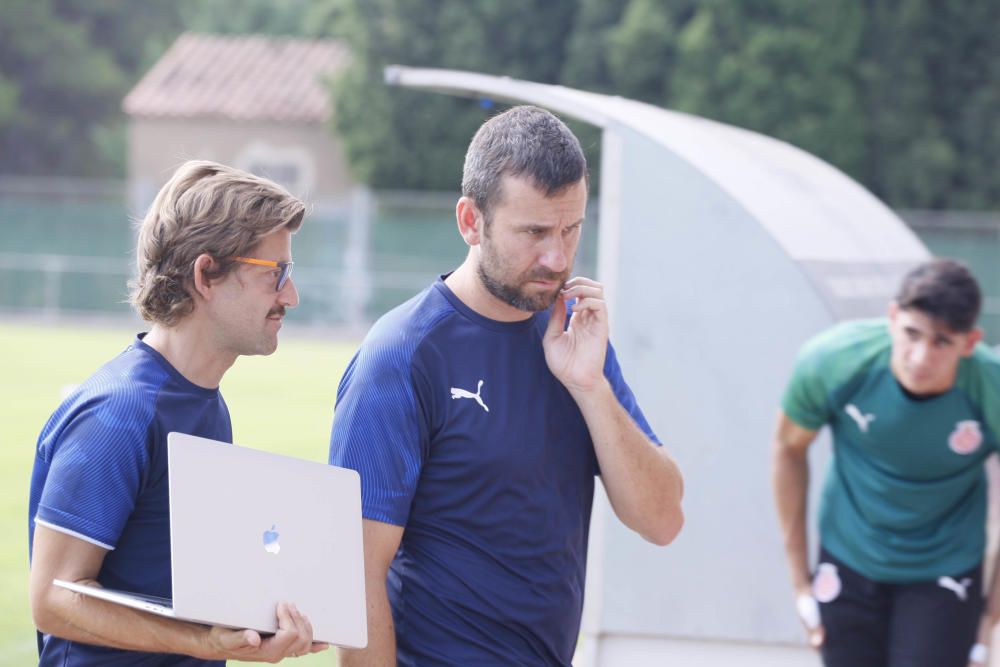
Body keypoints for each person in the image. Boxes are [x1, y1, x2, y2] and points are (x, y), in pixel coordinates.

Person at [328, 105, 685, 666]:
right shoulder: (402, 355)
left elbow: (662, 520)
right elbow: (356, 572)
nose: (558, 257)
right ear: (471, 221)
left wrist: (590, 385)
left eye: (571, 230)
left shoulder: (576, 336)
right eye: (535, 232)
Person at [28, 160, 326, 665]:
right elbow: (53, 599)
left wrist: (258, 621)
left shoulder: (205, 402)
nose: (290, 296)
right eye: (276, 274)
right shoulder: (118, 414)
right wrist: (200, 643)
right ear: (206, 274)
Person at [772, 258, 1000, 667]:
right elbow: (788, 450)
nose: (920, 356)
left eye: (942, 342)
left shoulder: (991, 386)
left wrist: (989, 620)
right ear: (893, 317)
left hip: (944, 568)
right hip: (849, 555)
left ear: (969, 343)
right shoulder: (834, 361)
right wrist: (800, 583)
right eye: (911, 334)